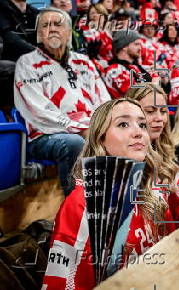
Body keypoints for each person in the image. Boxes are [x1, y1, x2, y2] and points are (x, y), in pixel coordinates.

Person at [42, 98, 179, 289]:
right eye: (123, 124)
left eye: (142, 124)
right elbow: (61, 284)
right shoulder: (84, 205)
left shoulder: (154, 181)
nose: (138, 132)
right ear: (101, 139)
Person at [14, 7, 111, 195]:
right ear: (39, 35)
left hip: (89, 129)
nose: (51, 29)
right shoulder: (27, 64)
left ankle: (123, 203)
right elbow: (39, 112)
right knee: (74, 142)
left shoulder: (83, 62)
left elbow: (103, 99)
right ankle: (76, 208)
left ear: (68, 33)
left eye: (57, 24)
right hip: (46, 135)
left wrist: (102, 125)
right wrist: (82, 129)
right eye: (45, 25)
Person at [104, 30, 152, 99]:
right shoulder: (115, 69)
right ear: (124, 47)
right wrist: (154, 83)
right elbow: (135, 94)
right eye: (136, 44)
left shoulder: (136, 67)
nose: (140, 48)